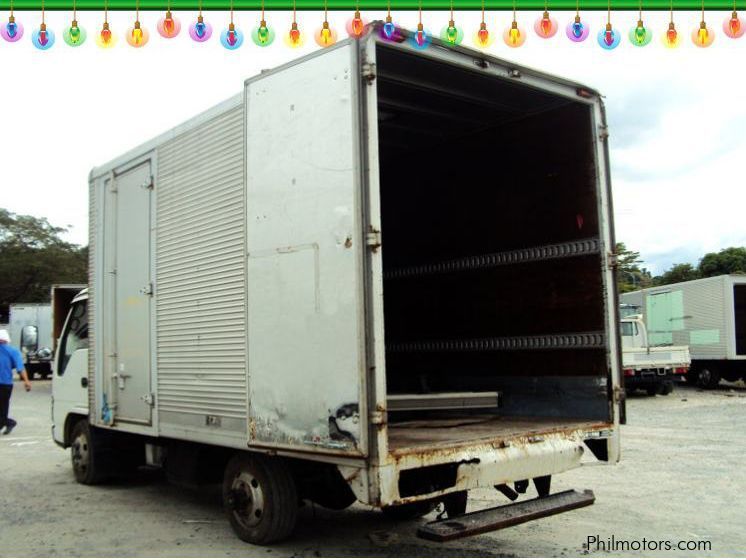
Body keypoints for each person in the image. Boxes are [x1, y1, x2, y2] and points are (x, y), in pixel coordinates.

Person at [0, 329, 31, 435]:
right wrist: (26, 381)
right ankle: (7, 423)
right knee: (3, 406)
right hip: (6, 384)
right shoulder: (13, 351)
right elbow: (20, 368)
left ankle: (7, 422)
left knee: (2, 408)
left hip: (4, 383)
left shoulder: (11, 351)